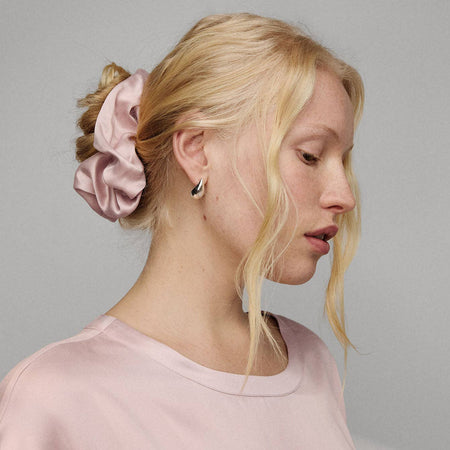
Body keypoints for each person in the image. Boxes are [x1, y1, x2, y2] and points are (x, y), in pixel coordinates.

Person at [0, 12, 364, 449]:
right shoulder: (56, 398)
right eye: (310, 155)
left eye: (342, 161)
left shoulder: (313, 365)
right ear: (197, 150)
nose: (344, 195)